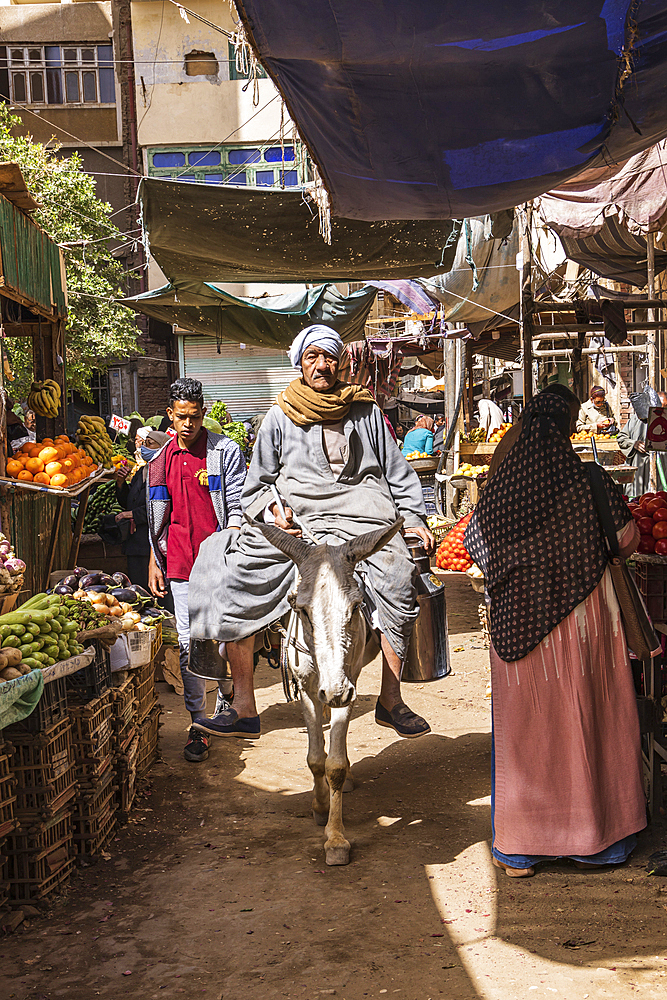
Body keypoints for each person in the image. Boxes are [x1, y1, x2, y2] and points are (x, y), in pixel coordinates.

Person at [188, 324, 435, 741]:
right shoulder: (279, 414)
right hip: (299, 520)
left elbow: (398, 472)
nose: (321, 365)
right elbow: (258, 482)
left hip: (365, 516)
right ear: (299, 363)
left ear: (340, 362)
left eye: (329, 357)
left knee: (398, 574)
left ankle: (391, 700)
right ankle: (245, 708)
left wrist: (412, 518)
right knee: (232, 571)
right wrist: (272, 509)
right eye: (312, 357)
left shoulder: (366, 411)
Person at [464, 391, 646, 878]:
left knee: (529, 736)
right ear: (567, 428)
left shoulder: (500, 488)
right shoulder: (589, 480)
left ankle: (520, 851)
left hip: (518, 631)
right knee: (592, 723)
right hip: (587, 625)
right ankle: (599, 844)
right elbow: (628, 539)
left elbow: (474, 545)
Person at [146, 378, 247, 763]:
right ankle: (198, 724)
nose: (187, 424)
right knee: (189, 644)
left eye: (194, 416)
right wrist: (155, 558)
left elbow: (236, 504)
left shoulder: (224, 451)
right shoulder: (158, 459)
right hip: (180, 564)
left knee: (223, 638)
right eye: (180, 416)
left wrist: (234, 547)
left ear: (203, 413)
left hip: (219, 561)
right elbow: (158, 517)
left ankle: (226, 707)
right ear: (170, 415)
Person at [112, 427, 170, 590]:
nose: (143, 447)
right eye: (144, 443)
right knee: (137, 586)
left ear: (161, 448)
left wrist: (131, 515)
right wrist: (121, 483)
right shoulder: (142, 471)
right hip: (135, 543)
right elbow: (128, 501)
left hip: (151, 541)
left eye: (149, 444)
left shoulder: (165, 473)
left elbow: (161, 507)